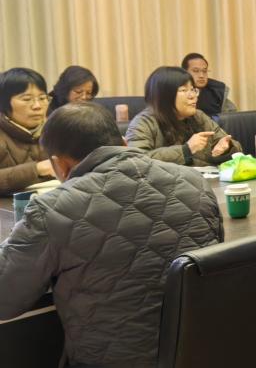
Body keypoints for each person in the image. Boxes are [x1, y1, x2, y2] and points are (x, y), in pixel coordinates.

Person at [0, 102, 223, 367]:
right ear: (123, 143)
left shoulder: (51, 208)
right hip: (202, 352)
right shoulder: (195, 182)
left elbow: (5, 298)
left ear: (59, 165)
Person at [126, 66, 242, 167]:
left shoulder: (198, 116)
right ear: (164, 96)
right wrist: (186, 150)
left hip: (203, 180)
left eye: (193, 90)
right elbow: (136, 162)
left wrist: (227, 147)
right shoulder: (143, 122)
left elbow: (232, 145)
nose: (193, 96)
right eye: (184, 90)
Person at [0, 68, 55, 195]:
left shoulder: (55, 128)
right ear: (4, 103)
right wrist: (37, 169)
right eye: (26, 99)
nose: (37, 106)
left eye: (42, 98)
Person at [182, 52, 237, 117]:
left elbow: (230, 117)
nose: (201, 75)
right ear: (184, 72)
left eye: (204, 71)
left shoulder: (216, 91)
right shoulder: (177, 92)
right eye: (196, 71)